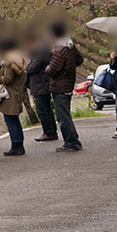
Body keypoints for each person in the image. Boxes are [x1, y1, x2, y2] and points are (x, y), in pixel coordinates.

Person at [46, 20, 84, 152]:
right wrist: (69, 69)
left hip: (60, 86)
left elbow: (52, 70)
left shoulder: (59, 50)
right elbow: (80, 59)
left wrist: (47, 68)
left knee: (63, 117)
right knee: (65, 115)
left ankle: (72, 142)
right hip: (68, 84)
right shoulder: (70, 45)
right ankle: (73, 139)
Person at [0, 39, 27, 156]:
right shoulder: (19, 59)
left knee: (10, 121)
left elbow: (7, 79)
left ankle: (15, 146)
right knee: (15, 120)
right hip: (16, 93)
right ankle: (19, 145)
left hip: (10, 95)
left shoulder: (8, 62)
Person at [24, 33, 58, 142]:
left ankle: (48, 132)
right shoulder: (42, 47)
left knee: (42, 110)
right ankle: (51, 132)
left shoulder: (39, 49)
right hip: (42, 83)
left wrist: (25, 69)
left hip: (41, 83)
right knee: (47, 109)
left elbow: (35, 65)